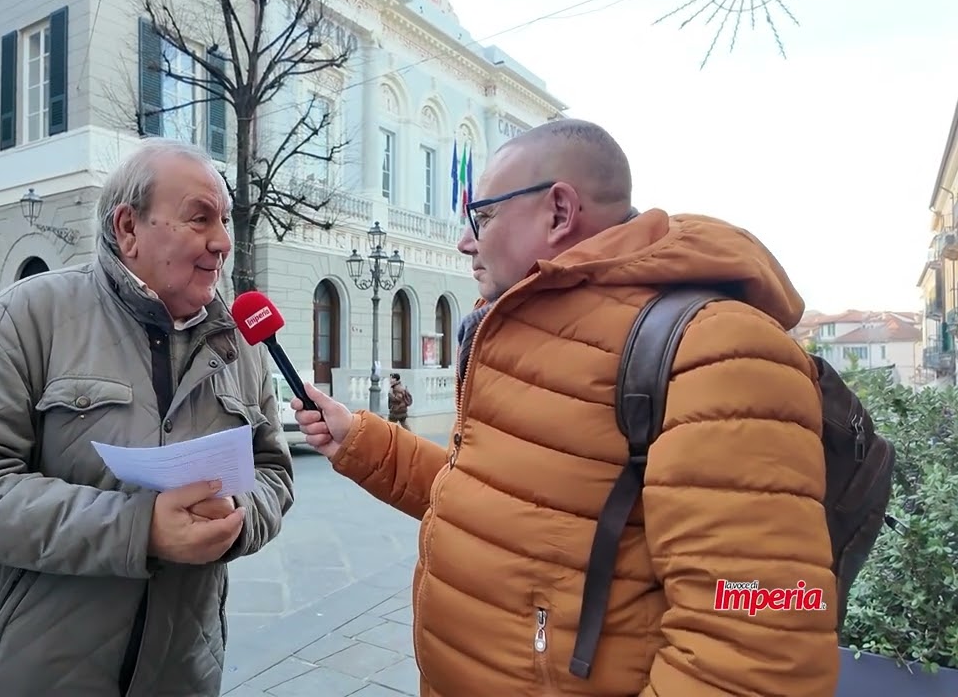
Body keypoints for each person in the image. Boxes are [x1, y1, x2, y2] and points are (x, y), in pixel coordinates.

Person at [292, 119, 839, 696]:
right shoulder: (512, 334)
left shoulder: (717, 347)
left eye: (483, 217)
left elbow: (759, 636)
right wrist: (360, 441)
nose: (465, 241)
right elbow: (492, 500)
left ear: (558, 211)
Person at [0, 137, 295, 697]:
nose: (222, 241)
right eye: (200, 218)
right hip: (32, 677)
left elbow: (273, 472)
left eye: (224, 221)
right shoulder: (29, 316)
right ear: (128, 228)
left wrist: (238, 517)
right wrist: (139, 529)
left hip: (184, 676)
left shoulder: (241, 345)